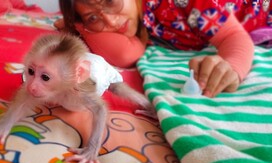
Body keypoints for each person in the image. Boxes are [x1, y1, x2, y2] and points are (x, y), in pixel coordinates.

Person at [56, 0, 272, 97]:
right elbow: (126, 54)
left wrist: (232, 66)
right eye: (92, 17)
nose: (112, 22)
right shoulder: (135, 18)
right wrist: (79, 26)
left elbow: (234, 37)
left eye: (111, 1)